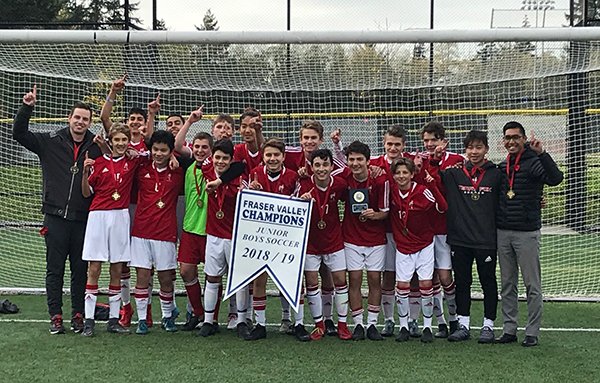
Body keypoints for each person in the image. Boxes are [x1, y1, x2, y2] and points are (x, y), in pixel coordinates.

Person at [13, 85, 102, 334]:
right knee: (54, 270)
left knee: (79, 270)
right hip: (55, 217)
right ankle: (55, 315)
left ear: (89, 122)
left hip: (83, 219)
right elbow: (19, 133)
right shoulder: (50, 141)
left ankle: (77, 314)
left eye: (85, 119)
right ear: (69, 118)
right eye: (77, 118)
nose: (80, 122)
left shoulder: (95, 145)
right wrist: (27, 107)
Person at [173, 107, 244, 332]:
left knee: (223, 274)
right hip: (192, 227)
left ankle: (234, 316)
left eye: (206, 147)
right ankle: (200, 314)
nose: (201, 151)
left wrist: (221, 182)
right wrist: (191, 122)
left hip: (217, 230)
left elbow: (240, 166)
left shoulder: (226, 171)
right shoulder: (191, 166)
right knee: (187, 271)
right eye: (198, 147)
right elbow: (176, 146)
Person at [495, 121, 563, 347]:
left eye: (515, 137)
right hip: (503, 232)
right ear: (503, 141)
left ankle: (532, 332)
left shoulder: (534, 162)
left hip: (527, 233)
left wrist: (542, 153)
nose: (511, 141)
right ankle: (509, 329)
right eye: (508, 138)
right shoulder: (501, 166)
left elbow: (555, 179)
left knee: (532, 285)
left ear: (524, 139)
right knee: (507, 284)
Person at [433, 131, 502, 343]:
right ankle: (463, 324)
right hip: (460, 239)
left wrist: (537, 200)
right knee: (462, 282)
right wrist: (435, 158)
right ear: (465, 150)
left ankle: (488, 325)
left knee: (488, 282)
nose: (474, 152)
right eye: (470, 147)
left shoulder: (497, 174)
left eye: (479, 147)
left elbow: (512, 196)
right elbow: (431, 179)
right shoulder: (454, 173)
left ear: (486, 149)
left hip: (486, 239)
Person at [80, 123, 141, 337]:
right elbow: (86, 193)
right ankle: (88, 321)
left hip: (120, 216)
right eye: (117, 140)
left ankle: (114, 320)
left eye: (125, 140)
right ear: (111, 141)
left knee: (117, 268)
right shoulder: (97, 162)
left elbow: (151, 154)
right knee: (94, 268)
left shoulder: (133, 161)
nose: (121, 144)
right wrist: (85, 172)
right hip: (98, 216)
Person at [285, 120, 343, 336]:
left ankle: (328, 321)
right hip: (303, 235)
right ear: (300, 140)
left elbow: (344, 171)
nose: (309, 142)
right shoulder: (292, 156)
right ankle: (298, 320)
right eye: (305, 138)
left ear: (320, 140)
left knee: (328, 276)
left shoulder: (329, 163)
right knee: (305, 279)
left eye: (313, 138)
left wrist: (337, 145)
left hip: (328, 234)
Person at [246, 138, 304, 340]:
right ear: (263, 157)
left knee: (291, 281)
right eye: (268, 155)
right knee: (259, 279)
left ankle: (297, 323)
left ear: (283, 157)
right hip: (260, 237)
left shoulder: (292, 176)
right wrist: (249, 192)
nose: (272, 158)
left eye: (276, 155)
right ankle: (260, 324)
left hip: (285, 238)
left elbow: (298, 207)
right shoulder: (254, 174)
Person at [130, 131, 184, 335]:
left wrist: (175, 157)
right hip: (141, 231)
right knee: (142, 276)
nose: (158, 153)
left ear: (170, 152)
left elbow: (190, 156)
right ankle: (142, 320)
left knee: (166, 278)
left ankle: (167, 316)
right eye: (155, 150)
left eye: (163, 150)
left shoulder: (178, 170)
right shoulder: (141, 167)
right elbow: (130, 152)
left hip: (165, 232)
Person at [389, 157, 447, 343]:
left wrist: (433, 187)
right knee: (403, 286)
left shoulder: (422, 192)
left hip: (424, 245)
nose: (401, 176)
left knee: (425, 285)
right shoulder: (391, 192)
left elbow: (443, 207)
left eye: (405, 172)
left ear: (412, 174)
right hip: (403, 246)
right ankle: (404, 327)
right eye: (398, 173)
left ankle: (428, 327)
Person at [197, 139, 250, 338]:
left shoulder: (239, 176)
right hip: (214, 234)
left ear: (230, 159)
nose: (220, 161)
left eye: (224, 158)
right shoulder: (206, 169)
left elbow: (241, 166)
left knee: (239, 279)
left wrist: (220, 182)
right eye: (217, 157)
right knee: (212, 277)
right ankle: (209, 321)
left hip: (235, 236)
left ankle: (242, 321)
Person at [297, 149, 352, 341]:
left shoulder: (339, 184)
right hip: (310, 243)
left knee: (340, 281)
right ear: (311, 167)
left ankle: (343, 325)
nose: (321, 169)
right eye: (317, 165)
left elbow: (353, 192)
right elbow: (289, 205)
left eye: (325, 165)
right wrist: (299, 201)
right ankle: (319, 324)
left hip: (334, 240)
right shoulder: (303, 184)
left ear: (331, 166)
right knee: (311, 282)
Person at [341, 141, 389, 341]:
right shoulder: (343, 177)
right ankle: (358, 323)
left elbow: (385, 213)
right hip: (351, 237)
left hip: (376, 240)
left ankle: (372, 324)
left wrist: (374, 214)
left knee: (375, 279)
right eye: (351, 159)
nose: (355, 163)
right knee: (354, 279)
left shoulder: (380, 179)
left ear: (368, 161)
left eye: (359, 159)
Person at [369, 124, 413, 337]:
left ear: (404, 145)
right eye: (389, 144)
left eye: (397, 144)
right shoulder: (374, 164)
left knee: (411, 277)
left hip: (408, 231)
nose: (393, 148)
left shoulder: (411, 163)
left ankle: (412, 319)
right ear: (384, 144)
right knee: (389, 275)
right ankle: (388, 320)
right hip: (384, 230)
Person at [418, 121, 461, 338]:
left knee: (445, 277)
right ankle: (441, 322)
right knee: (430, 278)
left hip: (446, 228)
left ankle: (454, 320)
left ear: (444, 141)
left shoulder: (457, 160)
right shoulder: (417, 161)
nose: (428, 144)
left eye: (433, 140)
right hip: (423, 230)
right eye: (425, 140)